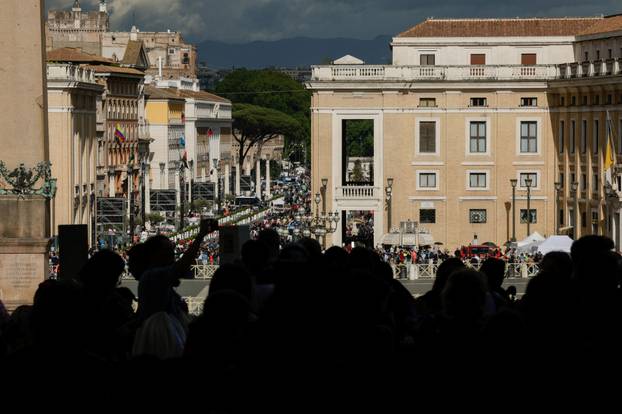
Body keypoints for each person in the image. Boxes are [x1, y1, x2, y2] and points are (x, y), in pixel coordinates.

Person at [137, 218, 217, 330]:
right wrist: (200, 236)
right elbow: (182, 265)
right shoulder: (153, 276)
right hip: (160, 338)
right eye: (167, 252)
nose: (172, 256)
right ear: (155, 255)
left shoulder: (153, 277)